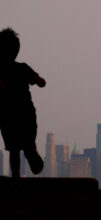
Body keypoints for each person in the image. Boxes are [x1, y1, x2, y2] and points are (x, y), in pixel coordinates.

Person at [0, 27, 45, 178]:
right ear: (16, 50)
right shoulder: (23, 68)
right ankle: (31, 152)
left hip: (8, 117)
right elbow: (41, 82)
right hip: (27, 115)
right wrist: (37, 80)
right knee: (28, 143)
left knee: (13, 150)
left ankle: (16, 178)